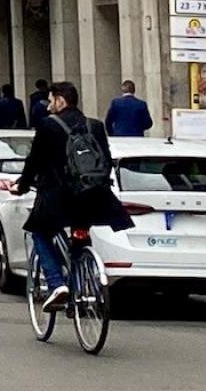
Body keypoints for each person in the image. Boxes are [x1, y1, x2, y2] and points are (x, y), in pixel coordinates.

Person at [18, 81, 132, 311]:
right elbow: (106, 161)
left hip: (58, 197)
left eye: (51, 100)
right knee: (80, 234)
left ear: (61, 101)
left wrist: (22, 185)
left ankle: (57, 284)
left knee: (39, 233)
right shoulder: (95, 125)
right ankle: (79, 287)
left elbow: (35, 161)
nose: (48, 106)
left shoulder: (48, 125)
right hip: (93, 196)